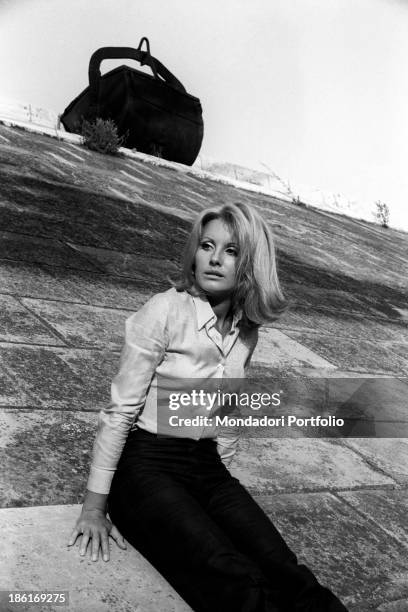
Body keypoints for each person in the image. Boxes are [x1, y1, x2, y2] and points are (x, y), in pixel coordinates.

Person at [68, 202, 348, 611]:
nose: (214, 259)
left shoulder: (246, 331)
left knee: (287, 570)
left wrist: (224, 497)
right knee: (233, 577)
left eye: (231, 251)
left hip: (206, 467)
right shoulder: (164, 310)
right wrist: (93, 507)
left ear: (251, 264)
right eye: (207, 245)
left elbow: (227, 414)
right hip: (148, 465)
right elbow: (120, 411)